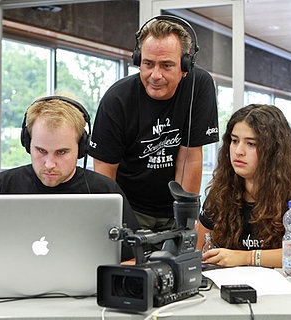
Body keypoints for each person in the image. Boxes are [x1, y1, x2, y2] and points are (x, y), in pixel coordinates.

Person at [0, 96, 139, 276]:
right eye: (41, 151)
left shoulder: (106, 193)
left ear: (81, 149)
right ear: (27, 143)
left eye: (62, 152)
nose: (49, 164)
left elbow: (134, 258)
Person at [89, 15, 219, 233]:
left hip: (174, 206)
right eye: (148, 64)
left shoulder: (199, 86)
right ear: (138, 60)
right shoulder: (117, 99)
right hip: (130, 208)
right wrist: (110, 225)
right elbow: (104, 173)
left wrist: (185, 221)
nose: (155, 75)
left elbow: (190, 156)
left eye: (167, 65)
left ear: (185, 65)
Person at [195, 104, 291, 268]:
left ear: (273, 151)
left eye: (251, 144)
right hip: (230, 287)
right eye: (234, 141)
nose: (238, 151)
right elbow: (198, 252)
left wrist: (248, 257)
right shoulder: (221, 191)